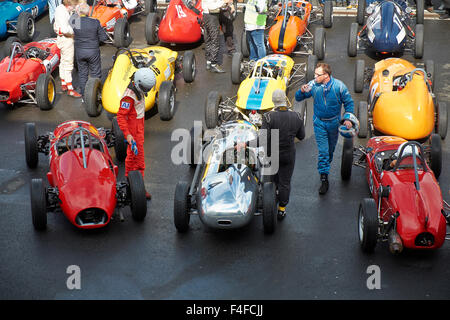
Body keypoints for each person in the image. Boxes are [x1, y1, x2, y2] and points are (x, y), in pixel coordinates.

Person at [295, 62, 354, 195]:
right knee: (323, 151)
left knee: (330, 151)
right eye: (315, 74)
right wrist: (302, 90)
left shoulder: (339, 87)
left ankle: (325, 168)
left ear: (326, 75)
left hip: (334, 123)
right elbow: (298, 98)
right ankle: (324, 178)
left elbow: (349, 103)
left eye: (318, 75)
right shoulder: (313, 85)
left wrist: (348, 118)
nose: (314, 77)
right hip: (319, 123)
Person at [260, 89, 305, 220]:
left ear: (274, 102)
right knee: (285, 182)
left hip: (272, 154)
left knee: (270, 180)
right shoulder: (297, 116)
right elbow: (301, 136)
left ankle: (270, 202)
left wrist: (245, 144)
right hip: (288, 154)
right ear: (285, 100)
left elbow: (262, 139)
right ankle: (282, 209)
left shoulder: (269, 117)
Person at [116, 68, 156, 200]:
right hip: (134, 133)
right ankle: (136, 188)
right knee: (136, 162)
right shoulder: (128, 97)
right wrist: (128, 135)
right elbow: (121, 117)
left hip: (139, 128)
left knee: (135, 160)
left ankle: (134, 186)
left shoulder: (138, 87)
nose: (147, 91)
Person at [71, 2, 108, 97]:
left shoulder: (76, 22)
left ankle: (84, 95)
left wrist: (76, 12)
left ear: (79, 12)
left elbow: (70, 21)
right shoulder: (95, 22)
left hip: (80, 52)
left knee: (82, 74)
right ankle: (96, 94)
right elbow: (104, 38)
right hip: (93, 51)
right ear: (88, 12)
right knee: (96, 73)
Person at [53, 0, 81, 97]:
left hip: (60, 39)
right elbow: (66, 30)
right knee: (68, 63)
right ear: (68, 4)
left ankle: (64, 83)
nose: (73, 8)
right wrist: (74, 31)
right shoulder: (64, 12)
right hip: (67, 40)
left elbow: (56, 26)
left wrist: (59, 30)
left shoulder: (59, 8)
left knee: (63, 61)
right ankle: (70, 89)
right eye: (73, 6)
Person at [202, 0, 233, 73]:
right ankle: (213, 64)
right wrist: (223, 2)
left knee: (209, 39)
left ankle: (209, 62)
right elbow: (211, 7)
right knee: (214, 40)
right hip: (211, 17)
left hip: (208, 16)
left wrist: (224, 4)